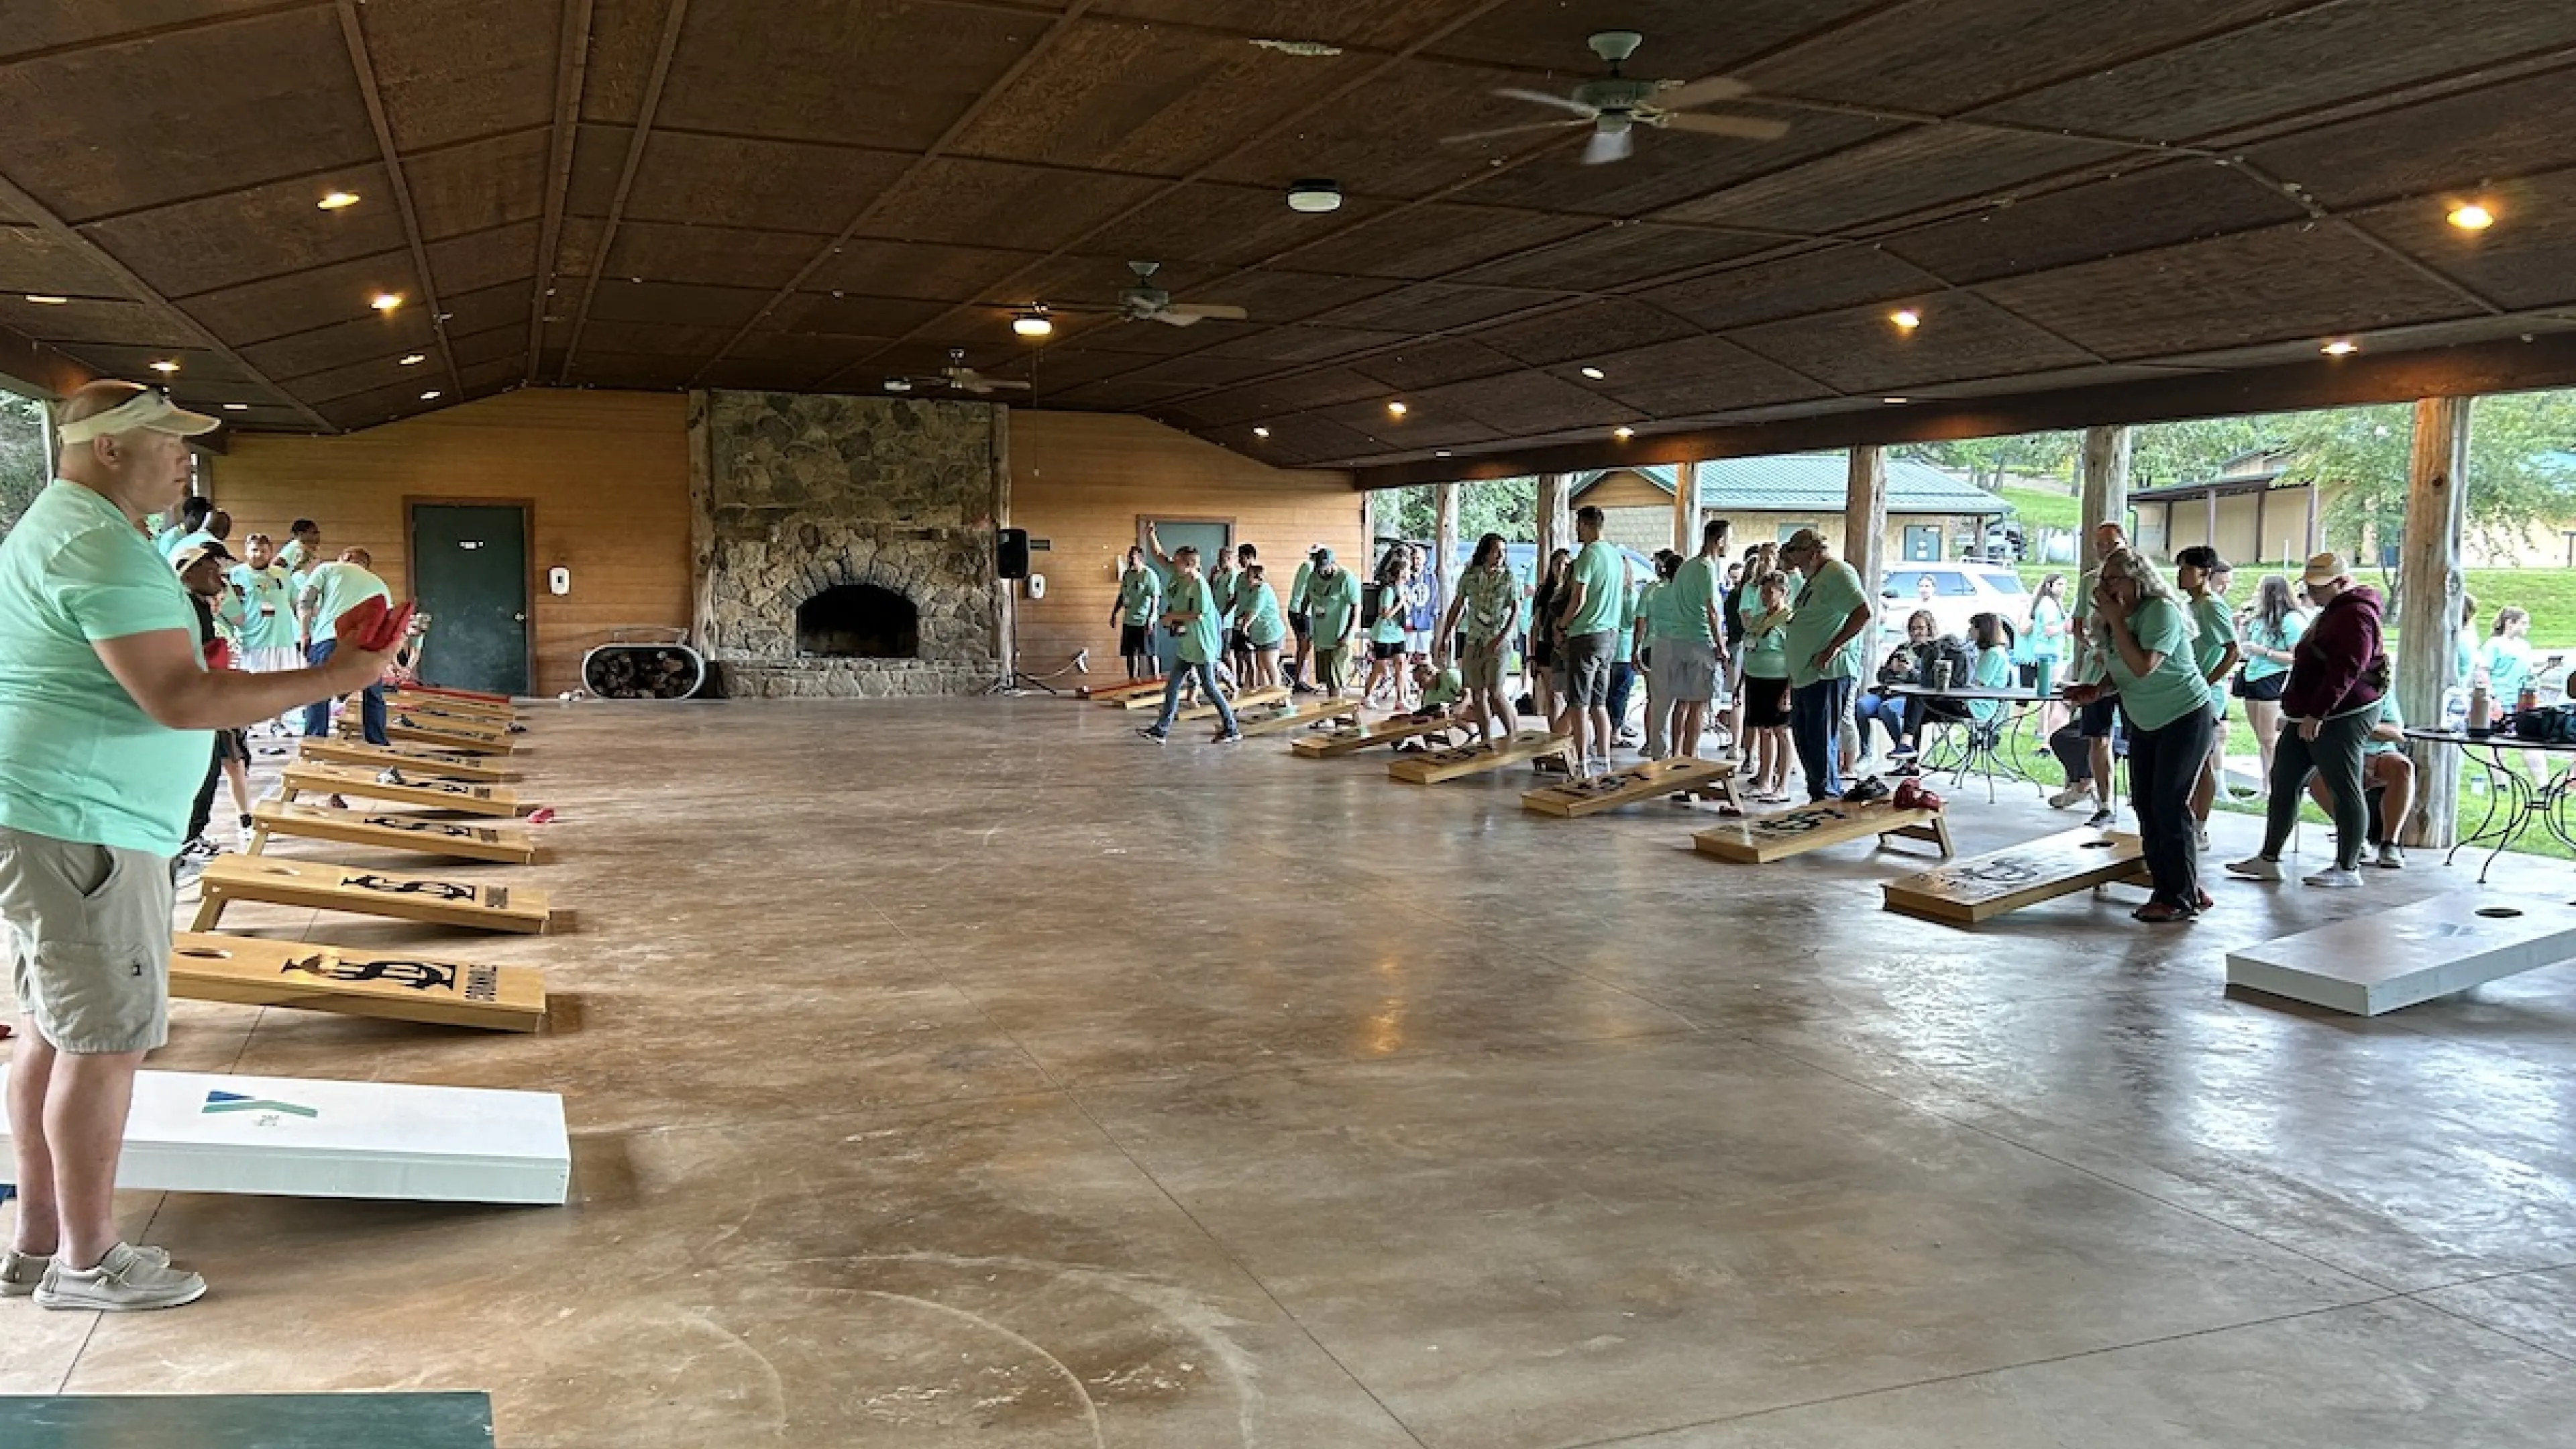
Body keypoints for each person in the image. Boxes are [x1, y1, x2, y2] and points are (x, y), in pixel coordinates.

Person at [2, 380, 391, 1313]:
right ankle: (88, 1265)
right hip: (85, 824)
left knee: (56, 1033)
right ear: (106, 450)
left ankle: (38, 1242)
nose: (184, 459)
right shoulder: (99, 544)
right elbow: (179, 700)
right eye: (167, 443)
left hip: (53, 813)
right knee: (105, 1042)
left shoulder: (64, 529)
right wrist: (338, 675)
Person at [2065, 549, 2212, 923]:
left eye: (2115, 578)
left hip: (2184, 715)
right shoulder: (2115, 619)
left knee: (2168, 803)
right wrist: (2096, 691)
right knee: (2145, 804)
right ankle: (2178, 886)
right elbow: (2122, 670)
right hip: (2145, 719)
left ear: (2138, 579)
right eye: (2103, 579)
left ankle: (2177, 897)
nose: (2106, 585)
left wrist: (2115, 618)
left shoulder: (2159, 611)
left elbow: (2144, 666)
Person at [2228, 553, 2387, 891]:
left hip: (2341, 714)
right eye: (2310, 587)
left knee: (2344, 786)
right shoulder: (2335, 610)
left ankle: (2347, 866)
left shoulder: (2356, 613)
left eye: (2319, 588)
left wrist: (2319, 712)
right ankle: (2269, 858)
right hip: (2311, 711)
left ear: (2342, 583)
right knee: (2283, 779)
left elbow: (2347, 668)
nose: (2311, 595)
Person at [171, 543, 256, 866]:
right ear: (188, 574)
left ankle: (191, 836)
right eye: (209, 568)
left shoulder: (199, 606)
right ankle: (188, 839)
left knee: (216, 767)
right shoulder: (188, 607)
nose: (219, 573)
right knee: (204, 771)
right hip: (198, 702)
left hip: (206, 698)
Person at [1779, 528, 1872, 802]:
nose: (1794, 561)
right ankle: (1818, 793)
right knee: (1805, 737)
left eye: (1797, 554)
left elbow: (1863, 612)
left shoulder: (1838, 573)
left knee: (1821, 739)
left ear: (1813, 552)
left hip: (1828, 672)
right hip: (1805, 674)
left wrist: (1833, 647)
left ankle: (1827, 796)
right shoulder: (1814, 578)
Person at [2055, 522, 2131, 826]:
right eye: (2099, 545)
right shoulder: (2089, 582)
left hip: (2129, 673)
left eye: (2111, 544)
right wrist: (2095, 645)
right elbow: (2076, 625)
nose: (2105, 551)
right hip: (2096, 670)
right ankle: (2104, 802)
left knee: (2136, 738)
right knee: (2097, 738)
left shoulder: (2139, 581)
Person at [1136, 541, 1241, 744]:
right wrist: (1151, 536)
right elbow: (1160, 556)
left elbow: (1198, 615)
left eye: (1178, 562)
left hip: (1202, 643)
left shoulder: (1198, 584)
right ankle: (1161, 730)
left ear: (1190, 565)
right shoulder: (1179, 575)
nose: (1173, 564)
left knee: (1210, 687)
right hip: (1188, 644)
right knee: (1173, 686)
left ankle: (1232, 728)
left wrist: (1171, 617)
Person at [2175, 547, 2243, 848]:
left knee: (2202, 761)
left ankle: (2200, 826)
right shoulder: (2190, 606)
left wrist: (2205, 682)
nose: (2180, 574)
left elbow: (2233, 651)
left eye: (2186, 569)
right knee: (2191, 761)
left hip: (2205, 694)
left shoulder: (2212, 607)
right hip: (2188, 690)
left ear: (2203, 573)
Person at [297, 546, 394, 745]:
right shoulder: (381, 584)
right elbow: (388, 626)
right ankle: (377, 744)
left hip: (329, 637)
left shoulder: (329, 568)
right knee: (373, 695)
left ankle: (314, 745)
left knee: (318, 691)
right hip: (367, 646)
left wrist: (305, 633)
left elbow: (305, 600)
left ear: (346, 558)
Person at [1554, 507, 1627, 777]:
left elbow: (1578, 599)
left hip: (1585, 633)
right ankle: (1604, 759)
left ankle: (1582, 761)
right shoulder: (1616, 556)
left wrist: (1562, 625)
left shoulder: (1588, 555)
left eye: (1578, 525)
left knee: (1579, 703)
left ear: (1586, 525)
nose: (1576, 530)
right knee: (1599, 702)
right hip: (1610, 634)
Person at [1659, 517, 1732, 763]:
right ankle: (1691, 760)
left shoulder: (1686, 566)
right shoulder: (1706, 568)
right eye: (1728, 540)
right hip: (1700, 641)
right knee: (1698, 704)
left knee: (1681, 703)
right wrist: (1721, 646)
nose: (1729, 545)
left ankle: (1676, 754)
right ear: (1719, 541)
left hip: (1678, 640)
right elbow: (1711, 610)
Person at [1439, 533, 1521, 749]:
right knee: (1477, 693)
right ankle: (1486, 740)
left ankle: (1513, 735)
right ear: (1485, 553)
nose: (1501, 556)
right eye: (1496, 551)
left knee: (1495, 691)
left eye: (1504, 552)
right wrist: (1446, 634)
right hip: (1474, 638)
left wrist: (1501, 637)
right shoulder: (1470, 575)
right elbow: (1457, 606)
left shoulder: (1509, 577)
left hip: (1498, 640)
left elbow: (1515, 610)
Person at [2310, 693, 2412, 869]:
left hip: (2379, 753)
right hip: (2339, 755)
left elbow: (2396, 732)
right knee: (2316, 778)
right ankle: (2355, 835)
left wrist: (2358, 725)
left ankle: (2389, 844)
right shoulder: (2327, 690)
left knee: (2403, 767)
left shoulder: (2380, 692)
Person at [2235, 573, 2305, 790]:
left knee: (2269, 737)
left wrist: (2265, 652)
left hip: (2273, 679)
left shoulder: (2291, 620)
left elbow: (2296, 657)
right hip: (2253, 677)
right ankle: (2266, 785)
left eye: (2261, 591)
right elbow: (2243, 648)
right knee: (2262, 738)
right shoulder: (2259, 620)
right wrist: (2242, 626)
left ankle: (2279, 786)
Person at [1737, 571, 1795, 801]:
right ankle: (1764, 780)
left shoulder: (1789, 620)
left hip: (1778, 681)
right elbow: (1749, 649)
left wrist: (1789, 691)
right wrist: (1740, 683)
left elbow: (1794, 656)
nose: (1765, 597)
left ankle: (1782, 786)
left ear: (1783, 593)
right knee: (1763, 730)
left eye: (1770, 592)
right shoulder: (1759, 619)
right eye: (1763, 592)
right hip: (1755, 678)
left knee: (1781, 731)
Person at [1856, 612, 1933, 759]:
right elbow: (1880, 676)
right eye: (1913, 628)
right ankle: (1866, 753)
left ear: (1929, 629)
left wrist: (1910, 671)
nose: (1916, 632)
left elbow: (1928, 681)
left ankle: (1904, 750)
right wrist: (1891, 669)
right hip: (1887, 691)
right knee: (1860, 706)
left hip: (1909, 697)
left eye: (1921, 628)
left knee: (1887, 709)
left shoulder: (1932, 651)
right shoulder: (1903, 647)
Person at [1634, 550, 1680, 759]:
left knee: (1655, 700)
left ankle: (1655, 746)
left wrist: (1635, 649)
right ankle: (1679, 750)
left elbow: (1641, 621)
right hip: (1680, 647)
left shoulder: (1653, 591)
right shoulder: (1683, 595)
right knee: (1681, 702)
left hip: (1654, 646)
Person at [1302, 547, 1361, 698]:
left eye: (1324, 567)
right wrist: (1305, 629)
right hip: (1321, 637)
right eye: (1319, 567)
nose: (1321, 571)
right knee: (1326, 679)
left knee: (1336, 680)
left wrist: (1347, 634)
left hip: (1339, 638)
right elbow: (1306, 600)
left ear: (1332, 564)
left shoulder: (1346, 579)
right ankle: (1331, 712)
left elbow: (1356, 609)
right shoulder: (1313, 577)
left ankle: (1335, 713)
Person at [1525, 547, 1571, 730]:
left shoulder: (1573, 592)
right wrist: (1532, 653)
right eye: (1557, 564)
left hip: (1566, 647)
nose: (1561, 568)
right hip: (1546, 646)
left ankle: (1565, 733)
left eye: (1566, 564)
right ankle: (1554, 732)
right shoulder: (1543, 591)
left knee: (1567, 695)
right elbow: (1536, 624)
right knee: (1551, 694)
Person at [1361, 550, 1411, 707]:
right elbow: (1385, 614)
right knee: (1380, 665)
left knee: (1401, 663)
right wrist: (1400, 604)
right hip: (1383, 633)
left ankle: (1401, 699)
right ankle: (1368, 694)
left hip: (1398, 632)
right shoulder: (1388, 590)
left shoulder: (1405, 589)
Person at [1110, 546, 1162, 682]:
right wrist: (1114, 613)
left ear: (1140, 559)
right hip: (1129, 621)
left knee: (1151, 654)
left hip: (1145, 620)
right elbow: (1122, 596)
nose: (1130, 561)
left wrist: (1151, 619)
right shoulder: (1128, 575)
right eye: (1129, 558)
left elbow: (1155, 600)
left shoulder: (1150, 575)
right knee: (1131, 654)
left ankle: (1155, 683)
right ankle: (1133, 682)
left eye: (1133, 558)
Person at [1232, 561, 1287, 690]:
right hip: (1259, 634)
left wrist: (1244, 627)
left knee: (1270, 664)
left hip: (1270, 633)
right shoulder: (1252, 590)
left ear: (1258, 577)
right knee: (1260, 665)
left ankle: (1277, 695)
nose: (1246, 579)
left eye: (1248, 576)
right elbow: (1245, 609)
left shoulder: (1263, 590)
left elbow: (1253, 611)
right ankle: (1267, 694)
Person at [2023, 572, 2070, 708]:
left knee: (2048, 694)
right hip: (2049, 652)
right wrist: (2065, 627)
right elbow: (2049, 630)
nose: (2063, 588)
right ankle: (2043, 728)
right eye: (2059, 584)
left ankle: (2044, 727)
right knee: (2049, 695)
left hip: (2049, 650)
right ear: (2049, 586)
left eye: (2064, 585)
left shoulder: (2049, 602)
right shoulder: (2049, 605)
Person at [1286, 545, 1319, 692]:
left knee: (1303, 646)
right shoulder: (1311, 568)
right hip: (1303, 611)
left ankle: (1300, 678)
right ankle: (1299, 679)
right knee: (1304, 647)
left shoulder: (1305, 566)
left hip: (1297, 610)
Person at [1226, 543, 1260, 682]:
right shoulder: (1240, 577)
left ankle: (1252, 686)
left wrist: (1247, 622)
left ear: (1250, 558)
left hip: (1250, 623)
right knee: (1238, 655)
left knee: (1250, 658)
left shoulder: (1258, 578)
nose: (1239, 561)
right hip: (1237, 621)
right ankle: (1238, 684)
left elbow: (1257, 605)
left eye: (1242, 558)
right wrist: (1222, 614)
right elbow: (1235, 598)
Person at [153, 495, 211, 559]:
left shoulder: (201, 537)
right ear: (192, 515)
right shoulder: (171, 538)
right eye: (203, 519)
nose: (206, 524)